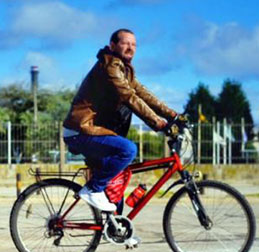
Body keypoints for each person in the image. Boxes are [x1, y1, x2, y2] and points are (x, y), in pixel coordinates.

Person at [63, 28, 177, 212]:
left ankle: (119, 230)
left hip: (92, 130)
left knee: (116, 186)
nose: (130, 47)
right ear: (113, 45)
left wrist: (173, 115)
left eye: (134, 44)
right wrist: (158, 123)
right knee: (128, 149)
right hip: (81, 130)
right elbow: (129, 97)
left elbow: (143, 94)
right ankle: (92, 189)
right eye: (125, 43)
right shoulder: (110, 66)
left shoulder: (123, 69)